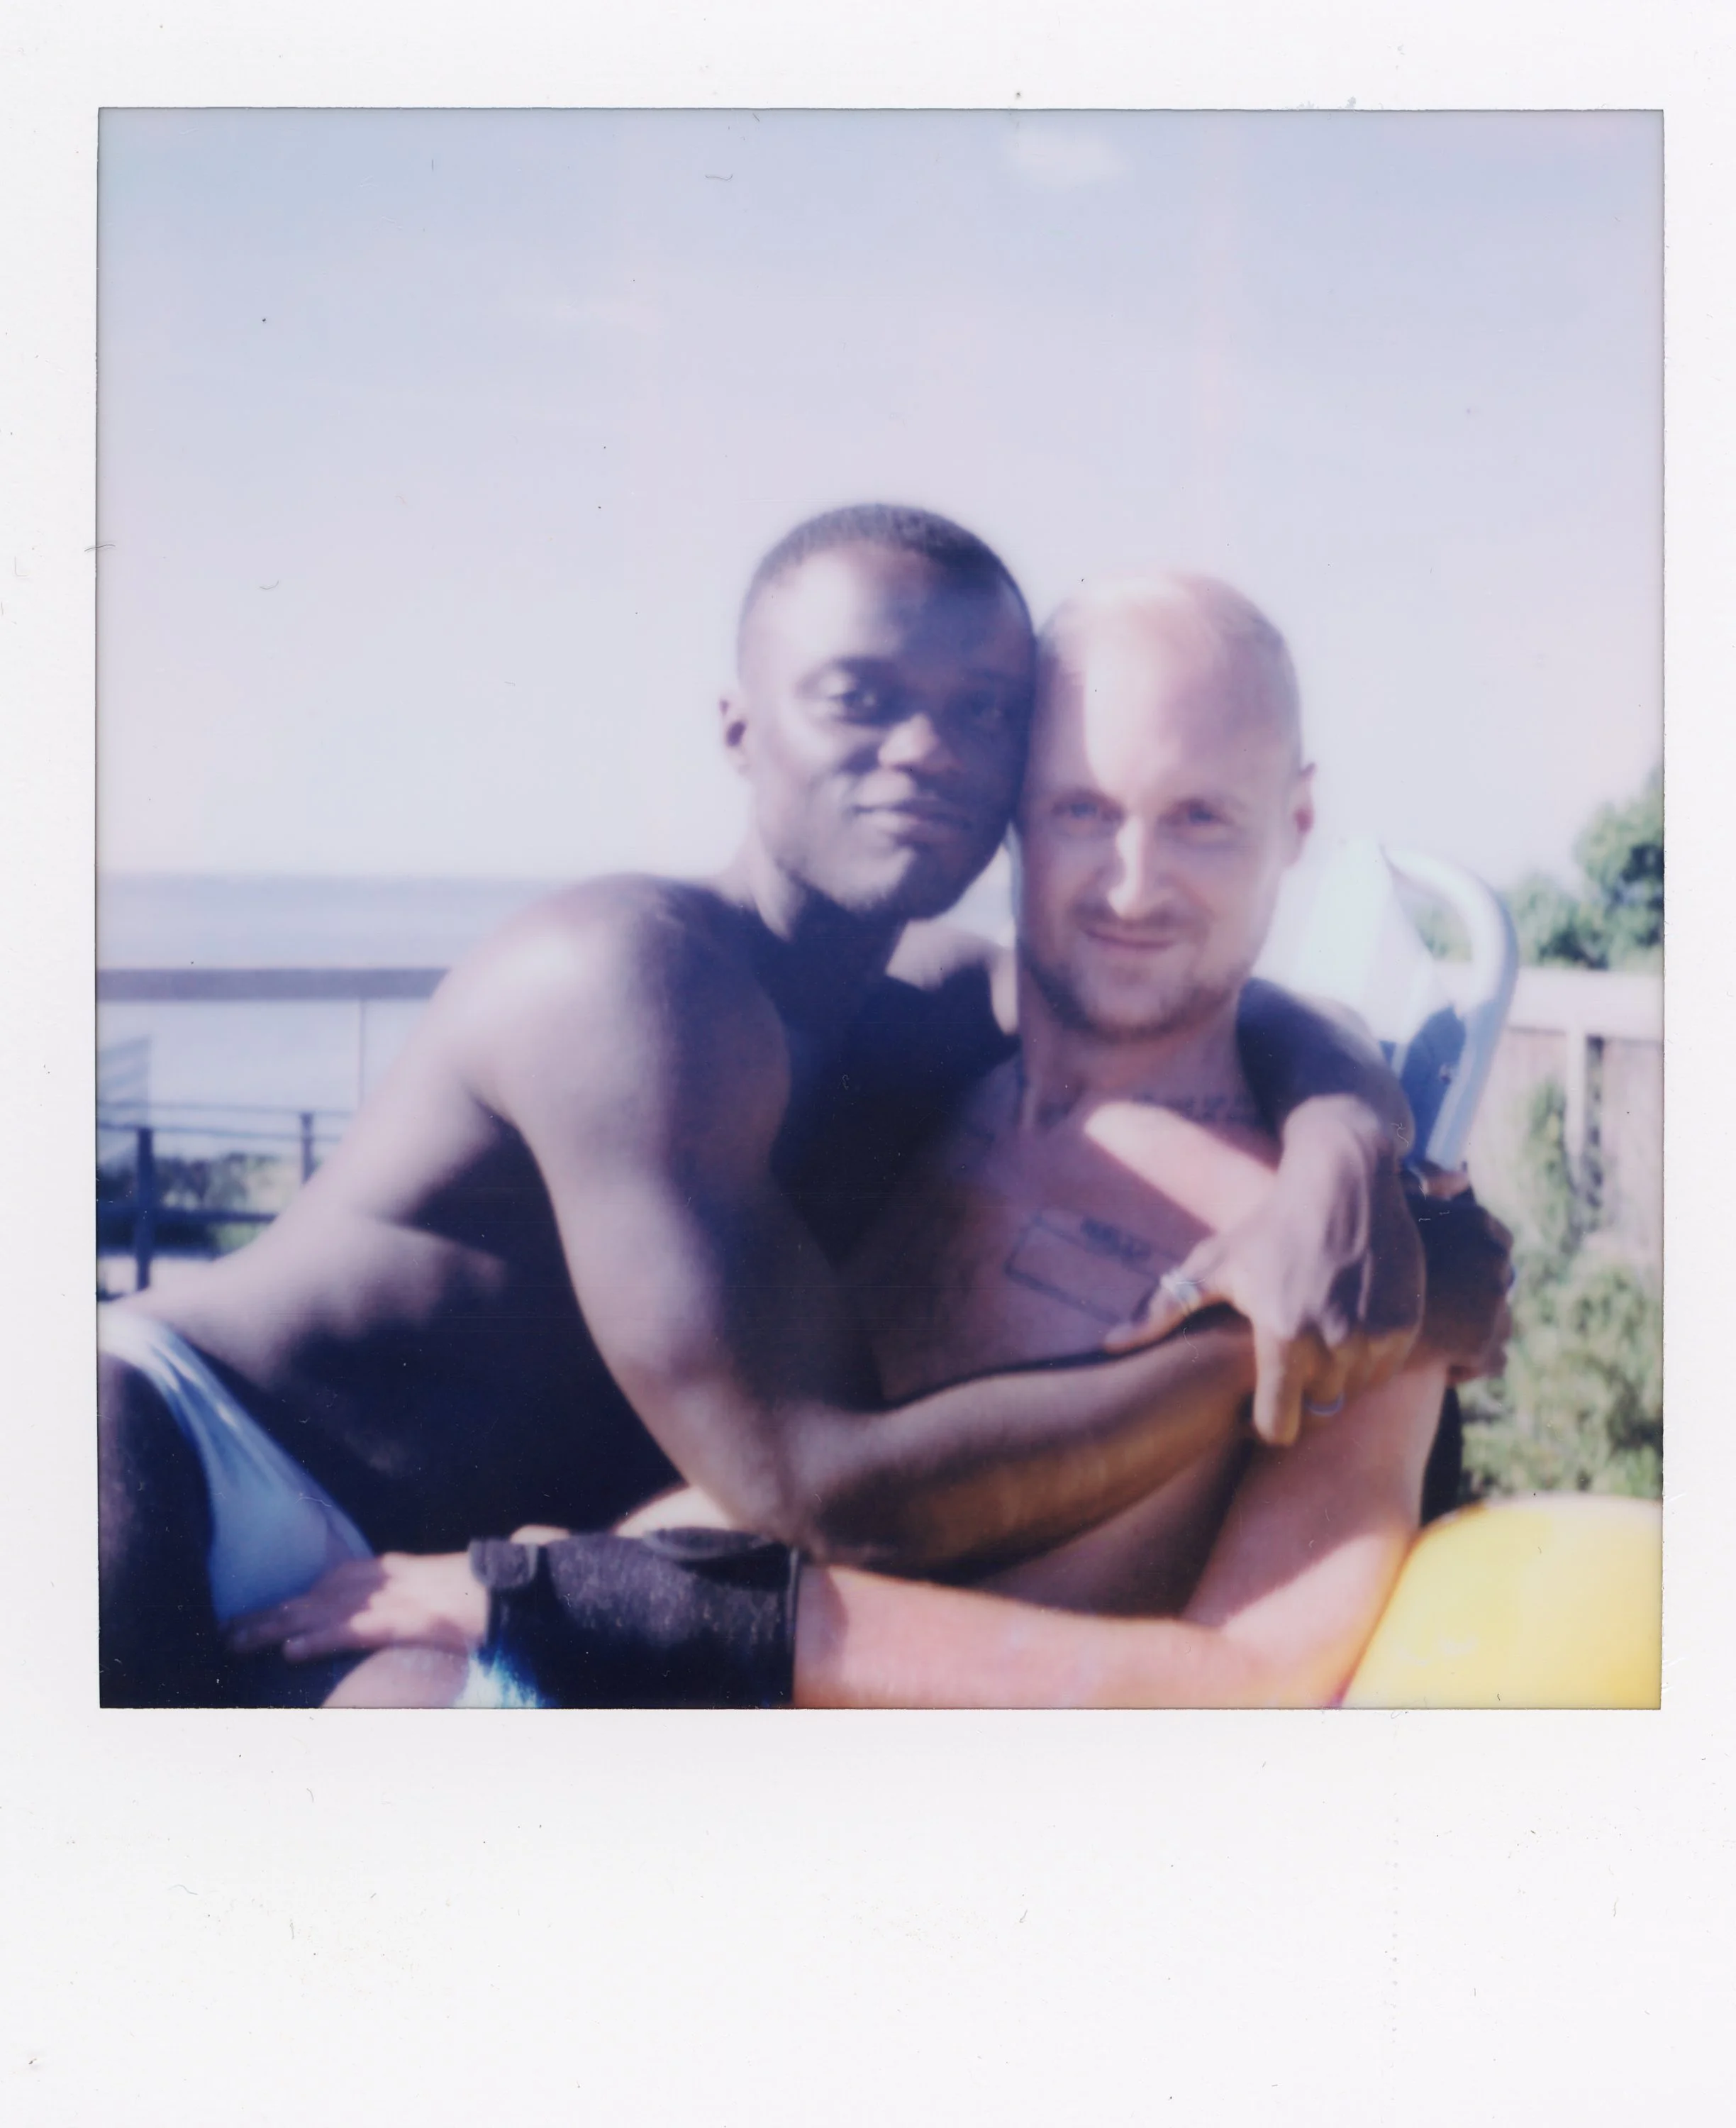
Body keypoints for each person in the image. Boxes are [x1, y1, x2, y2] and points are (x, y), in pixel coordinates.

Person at [100, 509, 1451, 1707]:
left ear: (1297, 821)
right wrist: (1272, 1344)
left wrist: (1346, 1152)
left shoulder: (972, 1036)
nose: (1134, 879)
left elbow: (1241, 1012)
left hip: (454, 1581)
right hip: (187, 1445)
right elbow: (818, 1487)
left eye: (1203, 817)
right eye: (1085, 809)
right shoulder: (671, 992)